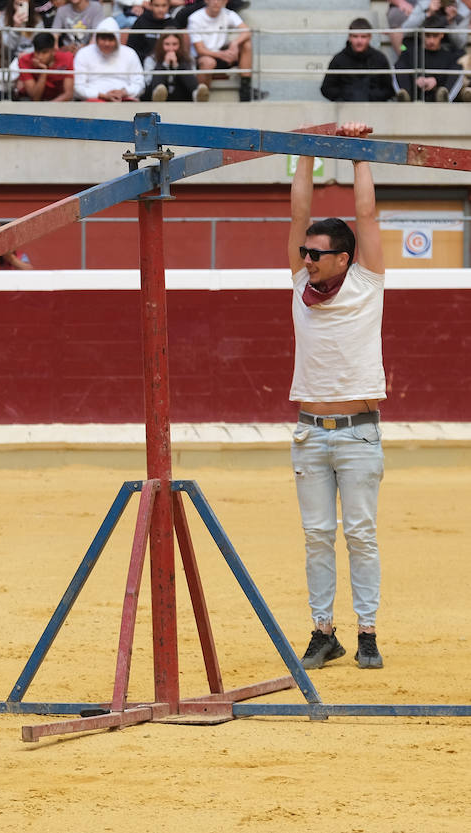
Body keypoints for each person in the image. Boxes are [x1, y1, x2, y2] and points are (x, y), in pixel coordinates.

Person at [286, 122, 387, 672]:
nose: (306, 258)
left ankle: (367, 631)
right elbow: (298, 217)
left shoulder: (368, 282)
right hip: (308, 432)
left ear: (344, 259)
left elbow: (366, 217)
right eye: (304, 252)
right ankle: (323, 631)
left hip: (358, 431)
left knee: (362, 536)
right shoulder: (299, 287)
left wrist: (359, 154)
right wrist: (305, 151)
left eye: (317, 255)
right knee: (318, 538)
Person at [186, 0, 251, 101]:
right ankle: (201, 95)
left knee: (246, 44)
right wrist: (222, 54)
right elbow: (200, 50)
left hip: (223, 54)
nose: (216, 2)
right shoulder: (195, 18)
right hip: (204, 57)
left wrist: (235, 43)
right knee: (208, 62)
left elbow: (246, 31)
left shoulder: (228, 13)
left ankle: (246, 88)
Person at [319, 18, 395, 103]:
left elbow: (388, 90)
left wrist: (369, 96)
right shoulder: (338, 59)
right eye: (355, 36)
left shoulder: (379, 58)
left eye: (363, 37)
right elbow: (326, 88)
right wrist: (347, 96)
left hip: (374, 109)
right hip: (346, 109)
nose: (359, 41)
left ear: (370, 37)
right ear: (349, 37)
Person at [394, 17, 463, 102]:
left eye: (435, 36)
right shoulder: (409, 53)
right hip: (414, 95)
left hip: (438, 96)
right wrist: (417, 80)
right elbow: (398, 68)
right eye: (427, 36)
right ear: (422, 35)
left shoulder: (449, 57)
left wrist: (436, 81)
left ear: (442, 34)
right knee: (399, 65)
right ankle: (405, 98)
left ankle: (445, 98)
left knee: (458, 67)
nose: (431, 40)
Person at [73, 17, 142, 101]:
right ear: (96, 38)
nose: (107, 43)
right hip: (94, 100)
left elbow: (139, 84)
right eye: (103, 39)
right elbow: (78, 87)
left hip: (124, 99)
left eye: (111, 39)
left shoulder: (130, 53)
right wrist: (103, 96)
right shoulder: (84, 53)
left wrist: (123, 92)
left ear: (117, 39)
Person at [144, 28, 200, 100]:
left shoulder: (188, 58)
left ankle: (196, 93)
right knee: (159, 71)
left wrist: (176, 67)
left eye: (175, 44)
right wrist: (164, 65)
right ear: (161, 45)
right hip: (155, 92)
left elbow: (193, 77)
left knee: (184, 67)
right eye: (167, 44)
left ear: (180, 45)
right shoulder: (151, 59)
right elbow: (148, 82)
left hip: (181, 94)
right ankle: (158, 95)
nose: (171, 48)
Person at [17, 30, 73, 100]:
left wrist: (49, 108)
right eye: (37, 52)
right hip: (30, 101)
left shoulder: (67, 58)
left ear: (53, 51)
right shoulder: (25, 60)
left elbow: (68, 94)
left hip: (57, 102)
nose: (40, 56)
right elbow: (35, 97)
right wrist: (43, 72)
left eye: (44, 52)